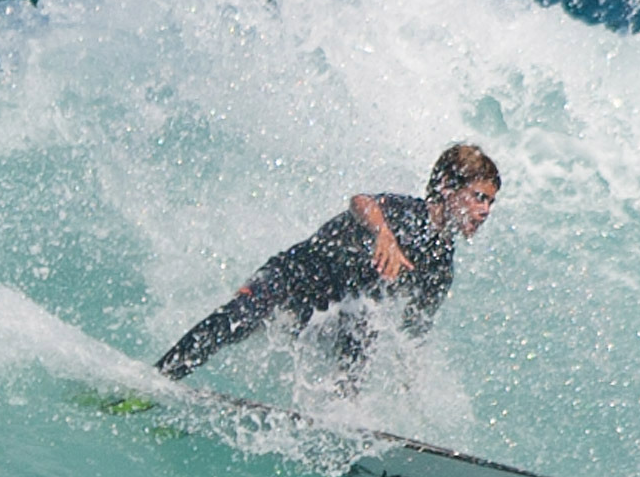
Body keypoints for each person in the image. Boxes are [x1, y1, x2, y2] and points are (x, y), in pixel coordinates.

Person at [155, 143, 500, 386]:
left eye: (490, 202)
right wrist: (384, 235)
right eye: (478, 197)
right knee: (235, 321)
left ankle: (341, 424)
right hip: (294, 277)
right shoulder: (407, 213)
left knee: (361, 340)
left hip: (335, 311)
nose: (484, 211)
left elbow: (414, 329)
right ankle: (158, 379)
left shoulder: (440, 266)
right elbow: (361, 202)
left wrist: (412, 379)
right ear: (447, 187)